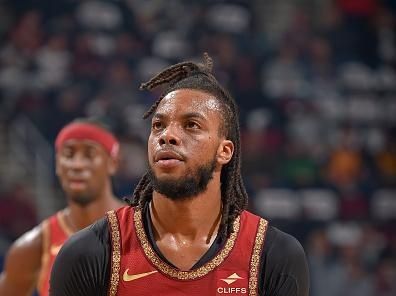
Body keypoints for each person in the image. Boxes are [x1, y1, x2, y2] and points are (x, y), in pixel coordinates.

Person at [50, 54, 310, 296]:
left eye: (191, 125)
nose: (167, 135)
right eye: (158, 125)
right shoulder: (90, 252)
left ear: (225, 151)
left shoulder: (273, 255)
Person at [0, 118, 124, 296]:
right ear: (57, 164)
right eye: (68, 154)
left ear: (113, 163)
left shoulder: (144, 229)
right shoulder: (34, 246)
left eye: (89, 154)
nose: (77, 165)